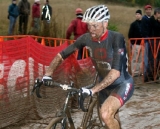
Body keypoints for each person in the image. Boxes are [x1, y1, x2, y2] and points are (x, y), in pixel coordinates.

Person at [42, 5, 134, 129]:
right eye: (89, 25)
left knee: (106, 114)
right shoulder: (86, 38)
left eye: (95, 25)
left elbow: (115, 72)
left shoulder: (116, 38)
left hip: (121, 83)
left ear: (105, 24)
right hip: (103, 84)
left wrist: (92, 90)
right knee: (111, 118)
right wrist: (48, 73)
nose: (91, 29)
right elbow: (62, 54)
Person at [128, 9, 143, 76]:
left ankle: (139, 71)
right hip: (135, 44)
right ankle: (134, 72)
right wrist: (132, 42)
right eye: (136, 14)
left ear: (141, 15)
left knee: (140, 58)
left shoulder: (143, 23)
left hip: (142, 44)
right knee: (134, 58)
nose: (137, 15)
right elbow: (130, 34)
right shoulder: (133, 24)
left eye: (138, 14)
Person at [141, 4, 152, 82]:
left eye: (150, 9)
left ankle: (151, 74)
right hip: (147, 40)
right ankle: (145, 75)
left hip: (152, 40)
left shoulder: (152, 18)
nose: (148, 11)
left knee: (151, 58)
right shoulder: (144, 19)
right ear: (145, 11)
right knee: (146, 58)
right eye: (147, 9)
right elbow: (143, 30)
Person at [149, 7, 160, 81]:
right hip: (153, 41)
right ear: (157, 13)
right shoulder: (151, 20)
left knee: (158, 59)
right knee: (153, 59)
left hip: (157, 41)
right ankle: (151, 76)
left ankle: (156, 75)